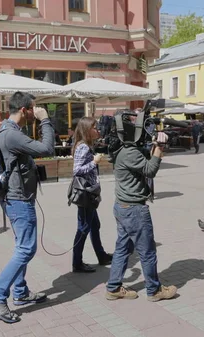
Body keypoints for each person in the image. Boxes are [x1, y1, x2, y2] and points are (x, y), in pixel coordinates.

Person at [0, 91, 54, 324]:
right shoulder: (11, 135)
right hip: (18, 201)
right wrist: (45, 120)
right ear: (24, 110)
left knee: (21, 246)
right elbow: (46, 149)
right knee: (26, 249)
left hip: (15, 199)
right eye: (34, 109)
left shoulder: (8, 132)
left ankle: (21, 292)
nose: (35, 112)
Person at [105, 115, 177, 302]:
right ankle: (154, 290)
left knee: (122, 248)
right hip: (134, 209)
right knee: (147, 251)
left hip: (122, 206)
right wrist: (159, 148)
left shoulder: (123, 148)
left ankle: (113, 287)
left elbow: (144, 159)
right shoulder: (131, 153)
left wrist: (154, 146)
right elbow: (150, 169)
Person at [70, 117, 113, 273]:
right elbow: (77, 170)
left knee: (94, 225)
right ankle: (77, 263)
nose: (97, 130)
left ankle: (101, 255)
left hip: (90, 192)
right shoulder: (83, 147)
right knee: (83, 228)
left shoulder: (86, 145)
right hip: (85, 193)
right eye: (94, 127)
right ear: (87, 130)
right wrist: (94, 162)